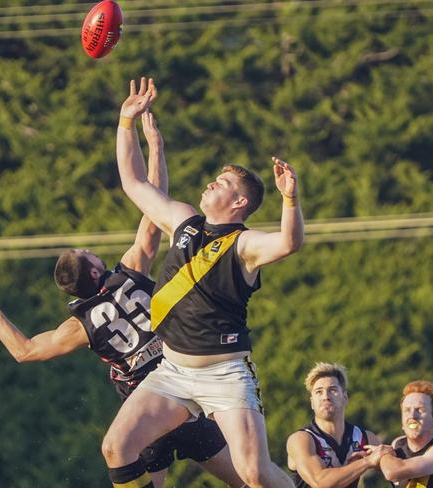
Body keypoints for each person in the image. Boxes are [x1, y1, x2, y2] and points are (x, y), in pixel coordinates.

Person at [0, 112, 243, 488]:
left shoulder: (79, 324)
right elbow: (152, 209)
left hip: (146, 405)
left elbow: (26, 351)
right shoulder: (128, 271)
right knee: (247, 480)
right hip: (179, 388)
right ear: (95, 272)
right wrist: (156, 147)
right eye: (88, 252)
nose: (92, 249)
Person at [102, 76, 304, 488]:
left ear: (239, 203)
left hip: (225, 374)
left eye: (224, 183)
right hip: (173, 370)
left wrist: (290, 199)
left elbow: (289, 242)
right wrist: (125, 122)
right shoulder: (184, 222)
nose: (213, 182)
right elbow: (133, 183)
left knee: (254, 474)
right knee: (116, 447)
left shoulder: (244, 243)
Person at [287, 362, 392, 488]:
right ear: (312, 403)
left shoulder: (366, 438)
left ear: (345, 397)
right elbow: (320, 482)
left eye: (332, 390)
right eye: (319, 392)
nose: (326, 397)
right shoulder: (301, 439)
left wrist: (397, 454)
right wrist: (367, 461)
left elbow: (399, 474)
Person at [380, 380, 433, 487]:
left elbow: (392, 472)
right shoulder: (398, 444)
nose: (412, 416)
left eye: (420, 409)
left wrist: (382, 455)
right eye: (407, 410)